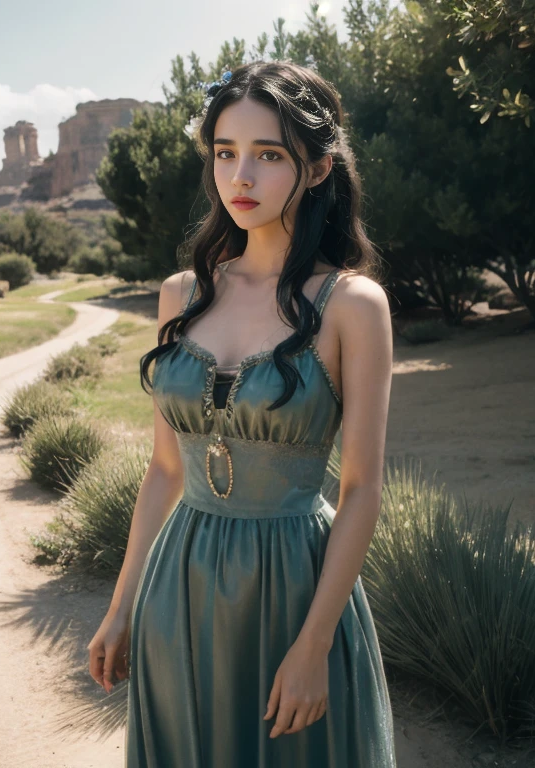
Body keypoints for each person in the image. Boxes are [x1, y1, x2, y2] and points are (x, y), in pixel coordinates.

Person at [87, 60, 396, 767]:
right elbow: (164, 470)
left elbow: (361, 491)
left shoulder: (351, 305)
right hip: (180, 588)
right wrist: (122, 603)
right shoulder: (181, 296)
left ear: (317, 169)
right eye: (225, 153)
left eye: (268, 155)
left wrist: (315, 645)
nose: (240, 178)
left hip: (298, 589)